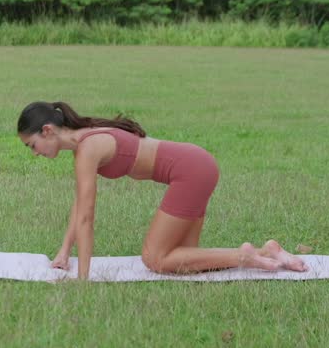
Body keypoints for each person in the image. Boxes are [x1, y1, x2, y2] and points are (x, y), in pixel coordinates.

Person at [17, 101, 307, 280]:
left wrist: (83, 280)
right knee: (184, 260)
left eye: (32, 146)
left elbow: (86, 218)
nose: (34, 153)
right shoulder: (84, 142)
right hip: (197, 165)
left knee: (154, 258)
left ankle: (243, 256)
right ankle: (268, 252)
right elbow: (80, 206)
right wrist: (64, 252)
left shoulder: (87, 148)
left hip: (191, 171)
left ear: (47, 131)